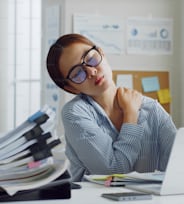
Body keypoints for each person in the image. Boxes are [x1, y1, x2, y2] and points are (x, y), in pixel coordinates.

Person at [46, 33, 177, 181]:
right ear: (71, 88)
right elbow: (113, 172)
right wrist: (131, 115)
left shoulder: (152, 109)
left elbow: (179, 163)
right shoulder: (75, 113)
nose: (91, 71)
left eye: (91, 59)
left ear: (102, 53)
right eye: (77, 73)